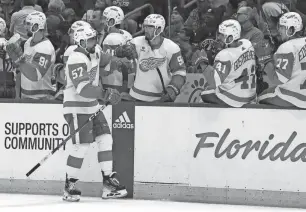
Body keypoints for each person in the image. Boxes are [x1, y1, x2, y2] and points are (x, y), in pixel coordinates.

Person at [63, 24, 129, 202]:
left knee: (105, 138)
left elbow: (107, 60)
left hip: (91, 104)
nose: (95, 41)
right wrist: (105, 93)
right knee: (81, 146)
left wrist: (121, 61)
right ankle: (70, 185)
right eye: (91, 39)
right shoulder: (76, 58)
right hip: (76, 106)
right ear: (81, 41)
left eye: (94, 38)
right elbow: (83, 88)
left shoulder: (94, 51)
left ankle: (108, 183)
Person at [115, 14, 187, 102]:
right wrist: (123, 50)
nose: (145, 29)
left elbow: (180, 72)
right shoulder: (137, 42)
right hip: (136, 96)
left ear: (159, 29)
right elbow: (117, 52)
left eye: (150, 27)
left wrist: (172, 90)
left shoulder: (172, 48)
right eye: (145, 26)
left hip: (160, 99)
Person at [192, 19, 257, 107]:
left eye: (221, 35)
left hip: (236, 98)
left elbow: (214, 81)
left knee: (205, 93)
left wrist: (202, 62)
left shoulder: (225, 55)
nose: (218, 38)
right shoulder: (247, 44)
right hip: (251, 95)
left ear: (230, 38)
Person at [258, 12, 306, 108]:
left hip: (293, 97)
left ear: (291, 29)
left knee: (259, 97)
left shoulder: (287, 47)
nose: (279, 30)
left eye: (282, 27)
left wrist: (265, 58)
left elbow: (278, 80)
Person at [7, 11, 56, 100]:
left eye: (28, 24)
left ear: (36, 26)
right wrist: (18, 95)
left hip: (42, 98)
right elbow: (21, 70)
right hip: (25, 95)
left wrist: (18, 59)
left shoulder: (46, 48)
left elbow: (35, 75)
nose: (25, 27)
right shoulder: (28, 42)